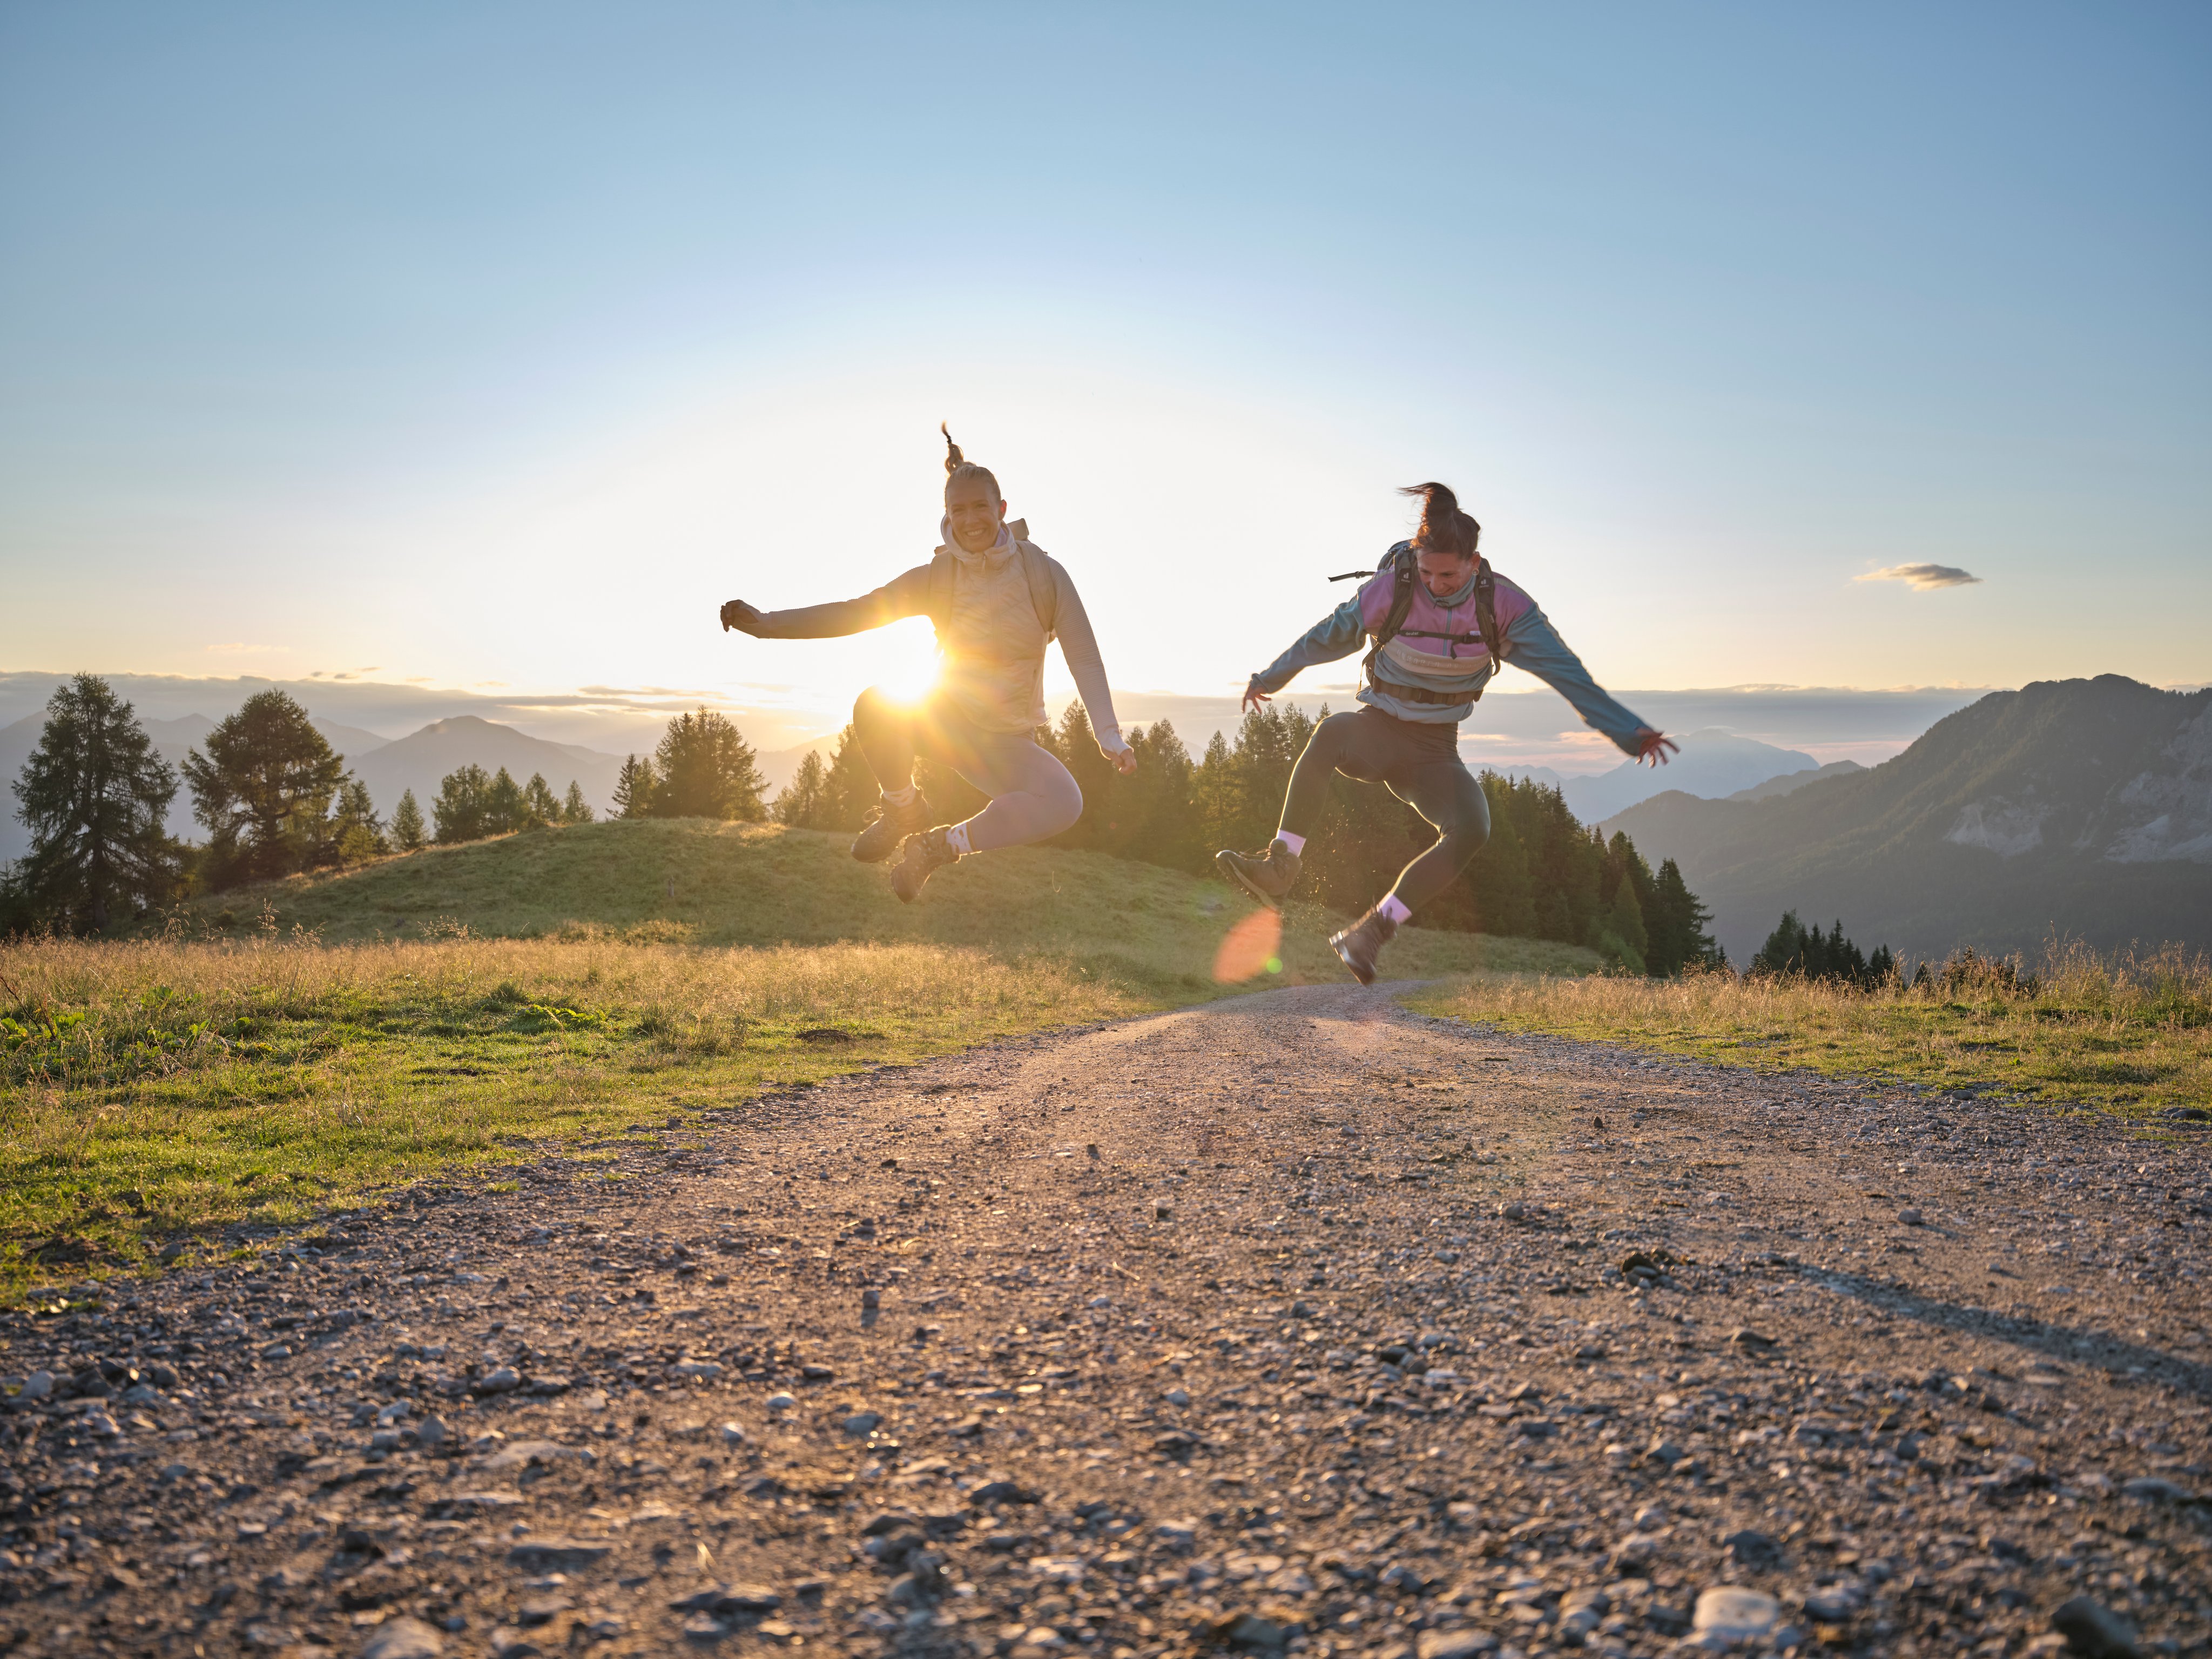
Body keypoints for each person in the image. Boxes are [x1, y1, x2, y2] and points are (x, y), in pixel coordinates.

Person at [1218, 481, 1676, 983]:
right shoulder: (1391, 588)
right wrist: (1270, 677)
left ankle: (1370, 934)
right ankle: (1280, 867)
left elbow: (1566, 673)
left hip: (1435, 752)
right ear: (1415, 558)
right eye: (1427, 572)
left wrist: (1631, 734)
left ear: (1475, 564)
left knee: (1473, 828)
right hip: (1378, 732)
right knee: (1330, 734)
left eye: (1448, 574)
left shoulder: (1503, 607)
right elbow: (1328, 635)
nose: (1435, 584)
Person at [719, 427, 1135, 901]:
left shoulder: (1044, 574)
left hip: (1003, 742)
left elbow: (1083, 652)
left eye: (981, 507)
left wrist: (1108, 735)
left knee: (1065, 803)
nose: (971, 519)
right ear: (947, 516)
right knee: (876, 706)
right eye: (959, 510)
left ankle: (937, 846)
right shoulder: (938, 578)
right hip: (946, 724)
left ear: (1001, 510)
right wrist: (769, 624)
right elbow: (858, 610)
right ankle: (903, 810)